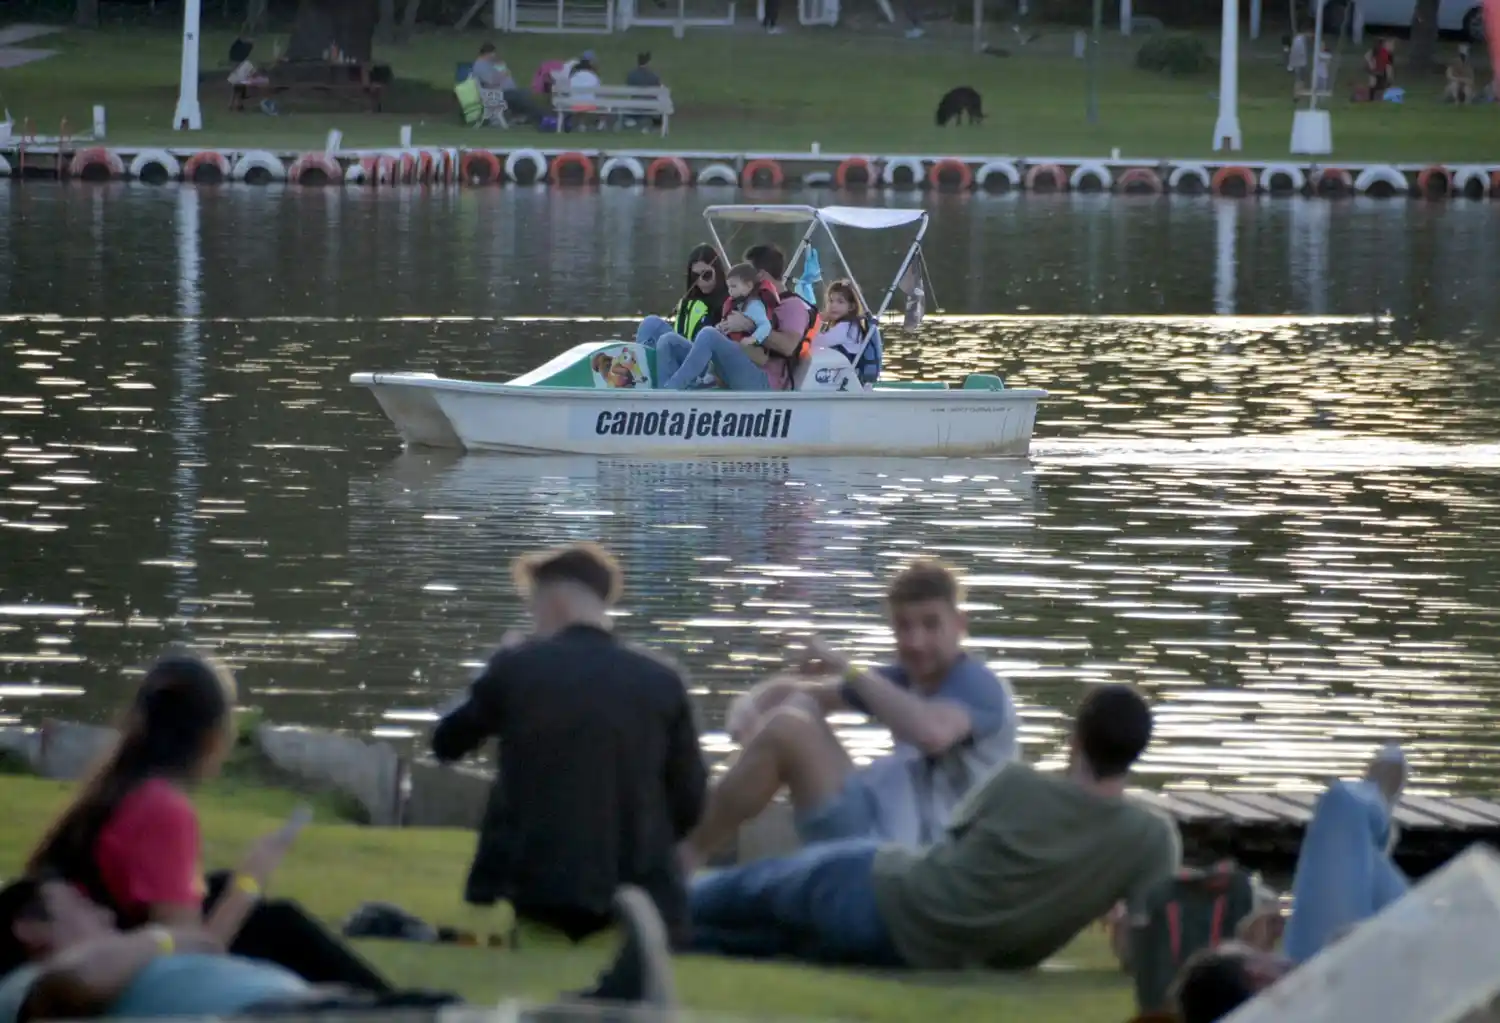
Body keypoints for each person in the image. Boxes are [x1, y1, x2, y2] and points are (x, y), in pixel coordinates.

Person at [688, 683, 1180, 969]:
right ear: (1136, 753)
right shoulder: (1151, 840)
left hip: (878, 890)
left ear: (1075, 739)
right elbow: (1140, 955)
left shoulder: (1015, 786)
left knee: (728, 898)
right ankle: (665, 928)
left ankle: (652, 899)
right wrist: (1115, 917)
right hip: (912, 951)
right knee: (756, 942)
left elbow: (947, 852)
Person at [430, 542, 707, 1005]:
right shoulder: (663, 680)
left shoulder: (517, 668)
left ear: (554, 601)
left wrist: (491, 671)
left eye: (534, 606)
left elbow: (446, 744)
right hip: (638, 887)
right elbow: (691, 798)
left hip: (537, 888)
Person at [24, 651, 387, 993]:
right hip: (116, 974)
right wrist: (251, 880)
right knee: (275, 923)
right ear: (213, 737)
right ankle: (399, 1009)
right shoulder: (162, 809)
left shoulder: (119, 788)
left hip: (102, 948)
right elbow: (192, 959)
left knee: (228, 892)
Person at [679, 560, 1020, 872]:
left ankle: (685, 858)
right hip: (884, 837)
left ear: (960, 625)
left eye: (931, 625)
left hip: (938, 865)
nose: (915, 642)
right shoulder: (905, 679)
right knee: (796, 715)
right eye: (903, 626)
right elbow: (798, 692)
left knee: (788, 729)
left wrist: (846, 666)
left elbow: (931, 733)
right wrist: (749, 706)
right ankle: (691, 851)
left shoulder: (979, 684)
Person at [0, 877, 674, 1022]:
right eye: (76, 904)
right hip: (261, 1021)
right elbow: (76, 983)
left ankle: (613, 1011)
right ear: (30, 930)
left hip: (295, 1008)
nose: (97, 907)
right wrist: (162, 934)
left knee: (439, 1013)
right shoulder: (27, 983)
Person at [1171, 745, 1410, 1023]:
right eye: (1255, 954)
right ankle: (1370, 836)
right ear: (1257, 976)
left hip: (1312, 983)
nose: (1264, 950)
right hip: (1402, 975)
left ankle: (1368, 841)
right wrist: (1360, 959)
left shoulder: (1284, 985)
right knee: (1343, 808)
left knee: (1342, 808)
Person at [634, 245, 729, 358]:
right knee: (650, 323)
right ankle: (638, 364)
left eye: (706, 275)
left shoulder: (729, 301)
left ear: (717, 271)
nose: (701, 281)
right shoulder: (689, 301)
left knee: (668, 339)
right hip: (684, 353)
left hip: (704, 360)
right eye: (695, 276)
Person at [470, 42, 545, 124]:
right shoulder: (480, 65)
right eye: (493, 53)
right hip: (498, 93)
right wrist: (502, 75)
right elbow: (490, 83)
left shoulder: (491, 63)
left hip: (507, 91)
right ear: (488, 53)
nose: (495, 55)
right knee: (523, 98)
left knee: (527, 93)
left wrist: (501, 66)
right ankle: (542, 119)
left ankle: (522, 117)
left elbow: (505, 73)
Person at [813, 279, 869, 362]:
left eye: (840, 302)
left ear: (851, 307)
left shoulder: (845, 328)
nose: (833, 305)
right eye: (831, 301)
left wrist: (818, 320)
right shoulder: (852, 325)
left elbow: (816, 342)